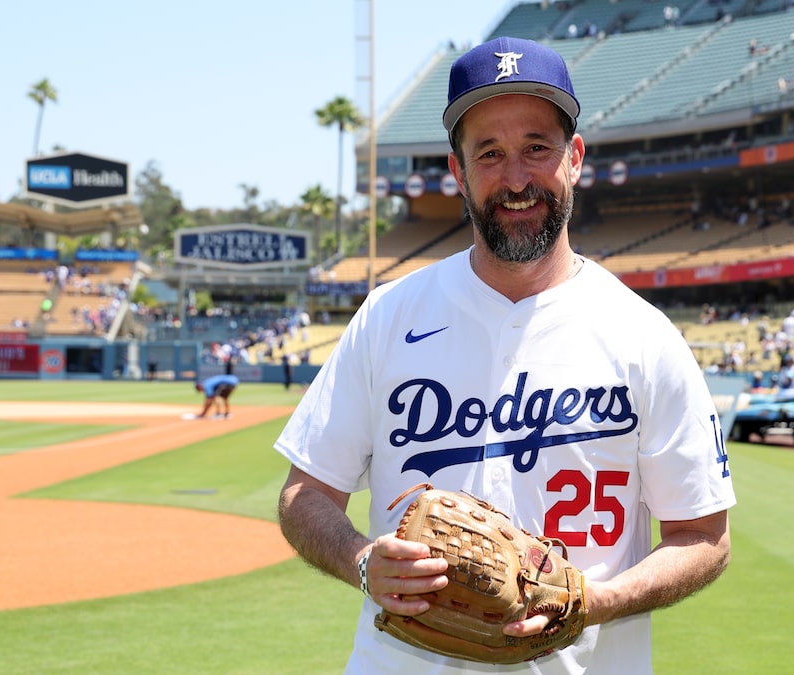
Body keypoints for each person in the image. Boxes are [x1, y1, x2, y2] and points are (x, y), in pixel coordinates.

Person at [273, 36, 735, 674]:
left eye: (536, 149)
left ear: (573, 158)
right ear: (458, 172)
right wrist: (361, 560)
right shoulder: (387, 317)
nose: (516, 178)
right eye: (489, 153)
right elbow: (304, 494)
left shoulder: (643, 336)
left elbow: (704, 537)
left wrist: (597, 601)